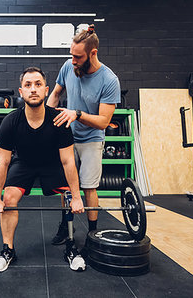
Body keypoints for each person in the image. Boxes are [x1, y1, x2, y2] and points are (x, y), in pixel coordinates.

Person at [0, 66, 86, 273]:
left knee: (68, 195)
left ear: (46, 90)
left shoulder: (59, 120)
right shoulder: (10, 122)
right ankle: (8, 250)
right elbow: (2, 163)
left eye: (38, 84)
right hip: (23, 163)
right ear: (21, 91)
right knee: (8, 198)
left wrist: (77, 197)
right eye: (28, 85)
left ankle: (70, 245)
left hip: (52, 163)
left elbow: (68, 161)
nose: (33, 89)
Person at [47, 24, 121, 245]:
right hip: (67, 137)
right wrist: (48, 119)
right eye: (71, 55)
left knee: (88, 187)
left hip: (91, 139)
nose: (73, 61)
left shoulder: (109, 80)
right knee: (66, 186)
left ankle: (92, 233)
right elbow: (56, 93)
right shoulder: (68, 67)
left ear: (93, 53)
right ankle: (64, 225)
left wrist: (77, 114)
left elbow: (103, 122)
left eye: (78, 57)